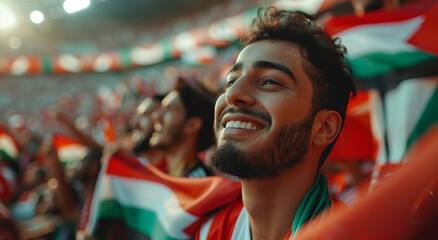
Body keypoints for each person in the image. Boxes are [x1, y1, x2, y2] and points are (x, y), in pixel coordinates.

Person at [196, 7, 356, 239]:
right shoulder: (206, 230)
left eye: (270, 81)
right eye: (231, 81)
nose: (232, 94)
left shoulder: (356, 232)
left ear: (324, 128)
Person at [149, 78, 216, 177]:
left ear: (192, 125)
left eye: (170, 109)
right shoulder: (169, 174)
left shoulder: (198, 182)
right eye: (161, 108)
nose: (156, 116)